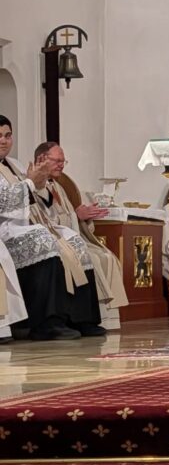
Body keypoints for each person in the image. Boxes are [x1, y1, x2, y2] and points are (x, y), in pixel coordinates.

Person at [0, 116, 104, 339]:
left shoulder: (16, 164)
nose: (4, 141)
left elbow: (41, 196)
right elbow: (4, 201)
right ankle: (47, 323)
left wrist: (41, 181)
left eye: (7, 135)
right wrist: (30, 183)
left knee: (74, 240)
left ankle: (82, 318)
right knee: (42, 238)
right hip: (6, 229)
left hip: (28, 222)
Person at [31, 142, 128, 330]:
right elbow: (44, 220)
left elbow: (66, 217)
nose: (61, 165)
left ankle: (105, 318)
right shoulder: (35, 187)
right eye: (57, 161)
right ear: (41, 159)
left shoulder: (58, 187)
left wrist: (82, 216)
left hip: (71, 238)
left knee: (106, 256)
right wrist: (76, 216)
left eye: (63, 161)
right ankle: (84, 319)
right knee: (93, 258)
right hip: (54, 241)